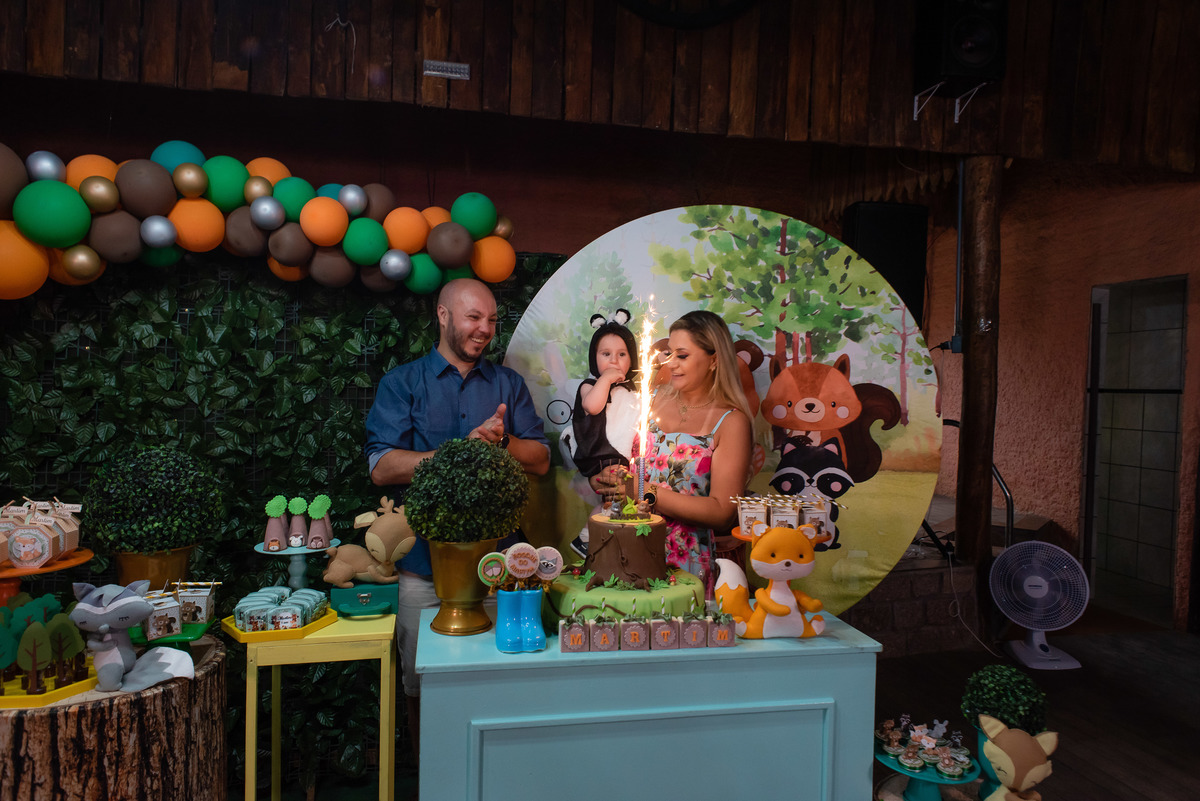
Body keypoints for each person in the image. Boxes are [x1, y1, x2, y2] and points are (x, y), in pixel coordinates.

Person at [364, 277, 549, 753]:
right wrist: (457, 454)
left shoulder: (508, 384)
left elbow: (542, 462)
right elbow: (382, 468)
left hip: (499, 573)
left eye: (491, 320)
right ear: (443, 316)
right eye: (473, 318)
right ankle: (432, 774)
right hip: (423, 570)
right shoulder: (402, 382)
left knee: (502, 684)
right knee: (420, 686)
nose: (485, 329)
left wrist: (502, 442)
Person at [591, 310, 752, 596]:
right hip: (629, 548)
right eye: (668, 353)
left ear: (714, 360)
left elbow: (722, 513)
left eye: (682, 355)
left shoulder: (731, 422)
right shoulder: (653, 399)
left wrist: (643, 491)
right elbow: (634, 465)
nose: (671, 364)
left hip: (683, 563)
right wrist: (612, 479)